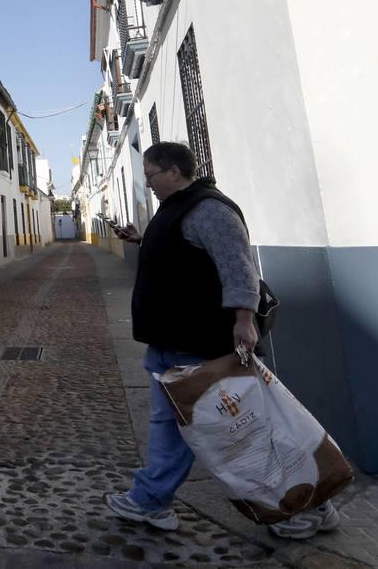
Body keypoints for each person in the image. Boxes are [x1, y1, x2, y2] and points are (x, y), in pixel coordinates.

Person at [103, 142, 339, 540]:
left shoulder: (209, 209)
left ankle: (304, 506)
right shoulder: (180, 208)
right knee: (171, 425)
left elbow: (238, 266)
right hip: (171, 343)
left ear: (175, 171)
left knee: (236, 432)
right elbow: (187, 256)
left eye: (151, 176)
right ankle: (150, 501)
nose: (148, 184)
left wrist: (244, 320)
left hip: (198, 345)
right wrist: (143, 240)